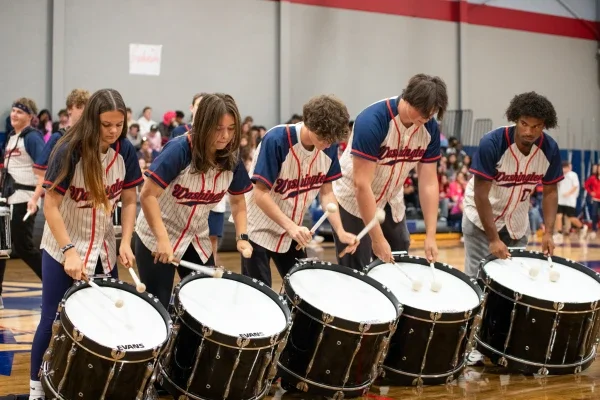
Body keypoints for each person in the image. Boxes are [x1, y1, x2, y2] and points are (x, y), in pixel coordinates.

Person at [27, 89, 142, 400]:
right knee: (51, 318)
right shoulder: (68, 149)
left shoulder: (125, 151)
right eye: (106, 125)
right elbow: (51, 205)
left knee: (104, 320)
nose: (113, 131)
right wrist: (68, 252)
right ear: (93, 120)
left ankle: (91, 386)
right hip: (62, 244)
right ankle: (36, 390)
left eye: (119, 124)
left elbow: (130, 199)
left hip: (103, 248)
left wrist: (126, 241)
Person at [462, 91, 562, 366]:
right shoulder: (492, 142)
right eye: (524, 124)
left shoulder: (549, 149)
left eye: (536, 126)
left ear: (544, 125)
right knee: (477, 282)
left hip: (517, 221)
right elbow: (481, 194)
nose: (529, 131)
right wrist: (493, 238)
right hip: (481, 218)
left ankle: (500, 343)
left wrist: (549, 232)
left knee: (513, 286)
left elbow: (550, 191)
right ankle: (468, 344)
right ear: (514, 120)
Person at [134, 93, 253, 309]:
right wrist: (162, 240)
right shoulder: (179, 149)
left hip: (196, 238)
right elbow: (147, 195)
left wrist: (242, 236)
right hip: (158, 236)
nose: (225, 136)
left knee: (204, 307)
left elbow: (238, 202)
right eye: (218, 128)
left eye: (231, 128)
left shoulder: (232, 159)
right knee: (157, 308)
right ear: (204, 124)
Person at [332, 73, 448, 269]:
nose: (427, 117)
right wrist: (376, 239)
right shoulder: (373, 120)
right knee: (357, 266)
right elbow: (361, 184)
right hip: (353, 196)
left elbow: (428, 183)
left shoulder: (429, 128)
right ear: (409, 99)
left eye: (432, 113)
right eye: (423, 111)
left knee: (400, 252)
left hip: (390, 197)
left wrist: (430, 235)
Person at [241, 95, 358, 287]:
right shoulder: (277, 140)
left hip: (292, 233)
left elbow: (327, 193)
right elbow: (260, 194)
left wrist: (340, 231)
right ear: (310, 124)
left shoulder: (328, 146)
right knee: (259, 294)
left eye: (332, 140)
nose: (328, 144)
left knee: (302, 292)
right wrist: (292, 227)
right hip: (258, 229)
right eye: (324, 138)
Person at [0, 98, 46, 310]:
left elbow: (45, 172)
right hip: (7, 200)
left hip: (24, 200)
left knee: (24, 247)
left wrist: (35, 199)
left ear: (30, 116)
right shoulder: (11, 137)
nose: (14, 114)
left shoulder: (33, 138)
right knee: (1, 248)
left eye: (19, 111)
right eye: (13, 110)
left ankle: (54, 286)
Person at [170, 93, 226, 262]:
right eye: (199, 105)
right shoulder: (180, 134)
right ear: (192, 108)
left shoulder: (223, 140)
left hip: (212, 191)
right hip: (187, 192)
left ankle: (213, 261)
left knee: (212, 233)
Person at [33, 89, 91, 176]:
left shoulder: (93, 138)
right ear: (69, 110)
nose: (84, 110)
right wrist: (60, 180)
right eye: (79, 107)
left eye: (87, 107)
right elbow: (38, 169)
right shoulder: (58, 137)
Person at [555, 160, 587, 242]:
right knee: (558, 216)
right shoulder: (560, 175)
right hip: (560, 200)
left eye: (566, 168)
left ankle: (582, 227)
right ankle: (559, 233)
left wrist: (568, 193)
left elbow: (575, 186)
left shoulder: (573, 175)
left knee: (571, 217)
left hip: (569, 201)